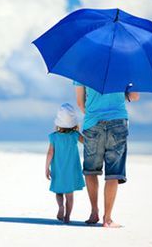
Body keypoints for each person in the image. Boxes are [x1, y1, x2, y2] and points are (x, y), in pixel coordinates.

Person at [75, 82, 139, 227]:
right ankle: (107, 218)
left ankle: (94, 212)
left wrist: (95, 112)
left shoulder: (83, 68)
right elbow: (134, 96)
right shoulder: (125, 68)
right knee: (114, 173)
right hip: (118, 122)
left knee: (91, 170)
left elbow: (80, 103)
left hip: (93, 123)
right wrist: (124, 95)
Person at [45, 103, 85, 224]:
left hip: (58, 168)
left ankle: (60, 207)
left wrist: (46, 168)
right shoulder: (75, 135)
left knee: (58, 191)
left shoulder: (54, 137)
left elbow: (50, 153)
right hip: (71, 169)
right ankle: (67, 216)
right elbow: (87, 143)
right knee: (69, 194)